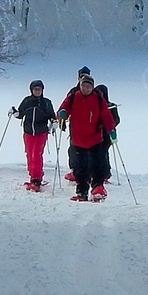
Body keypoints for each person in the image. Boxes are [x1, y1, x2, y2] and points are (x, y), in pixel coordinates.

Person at [57, 68, 115, 202]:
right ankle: (81, 193)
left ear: (92, 88)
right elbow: (63, 110)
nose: (86, 88)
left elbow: (106, 116)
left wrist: (111, 130)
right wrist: (62, 114)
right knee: (80, 168)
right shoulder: (73, 97)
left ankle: (98, 188)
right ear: (80, 85)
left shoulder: (99, 99)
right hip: (77, 139)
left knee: (97, 165)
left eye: (89, 86)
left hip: (95, 138)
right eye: (84, 85)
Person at [10, 80, 54, 192]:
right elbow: (20, 114)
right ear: (31, 90)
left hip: (41, 133)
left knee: (37, 155)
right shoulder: (27, 101)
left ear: (42, 90)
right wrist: (15, 113)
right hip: (28, 132)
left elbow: (51, 115)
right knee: (29, 154)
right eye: (35, 89)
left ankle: (36, 180)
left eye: (39, 89)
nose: (37, 91)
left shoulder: (46, 102)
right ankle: (33, 175)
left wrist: (54, 123)